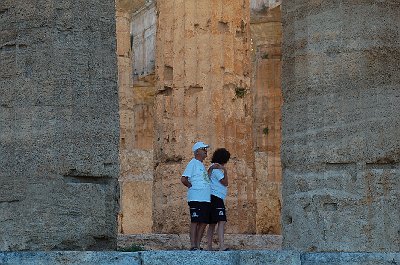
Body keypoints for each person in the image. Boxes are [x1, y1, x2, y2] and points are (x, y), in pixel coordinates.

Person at [181, 141, 211, 251]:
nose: (206, 152)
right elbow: (184, 179)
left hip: (205, 198)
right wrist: (191, 186)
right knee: (195, 220)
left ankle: (198, 245)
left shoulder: (201, 165)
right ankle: (193, 245)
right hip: (196, 197)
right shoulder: (192, 163)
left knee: (203, 221)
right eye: (204, 149)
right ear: (197, 151)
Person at [206, 148, 231, 251]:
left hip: (212, 197)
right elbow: (225, 182)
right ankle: (221, 246)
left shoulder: (212, 167)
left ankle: (209, 246)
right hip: (216, 198)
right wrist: (225, 170)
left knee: (212, 223)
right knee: (221, 221)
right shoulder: (216, 169)